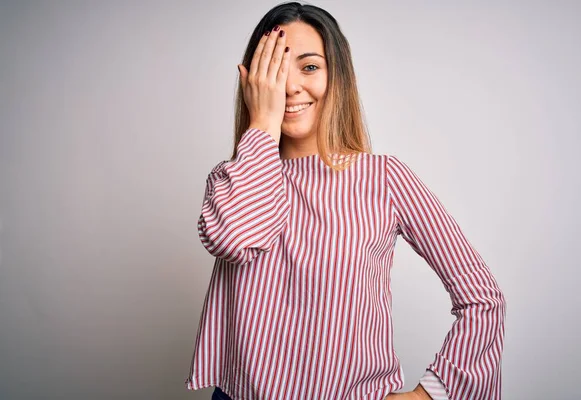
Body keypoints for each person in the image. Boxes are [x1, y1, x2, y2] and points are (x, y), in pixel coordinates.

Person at [185, 2, 506, 399]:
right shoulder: (230, 178)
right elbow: (235, 239)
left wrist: (430, 395)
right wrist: (262, 125)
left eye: (309, 67)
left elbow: (483, 298)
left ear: (338, 76)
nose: (289, 87)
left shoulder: (385, 178)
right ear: (254, 83)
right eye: (275, 71)